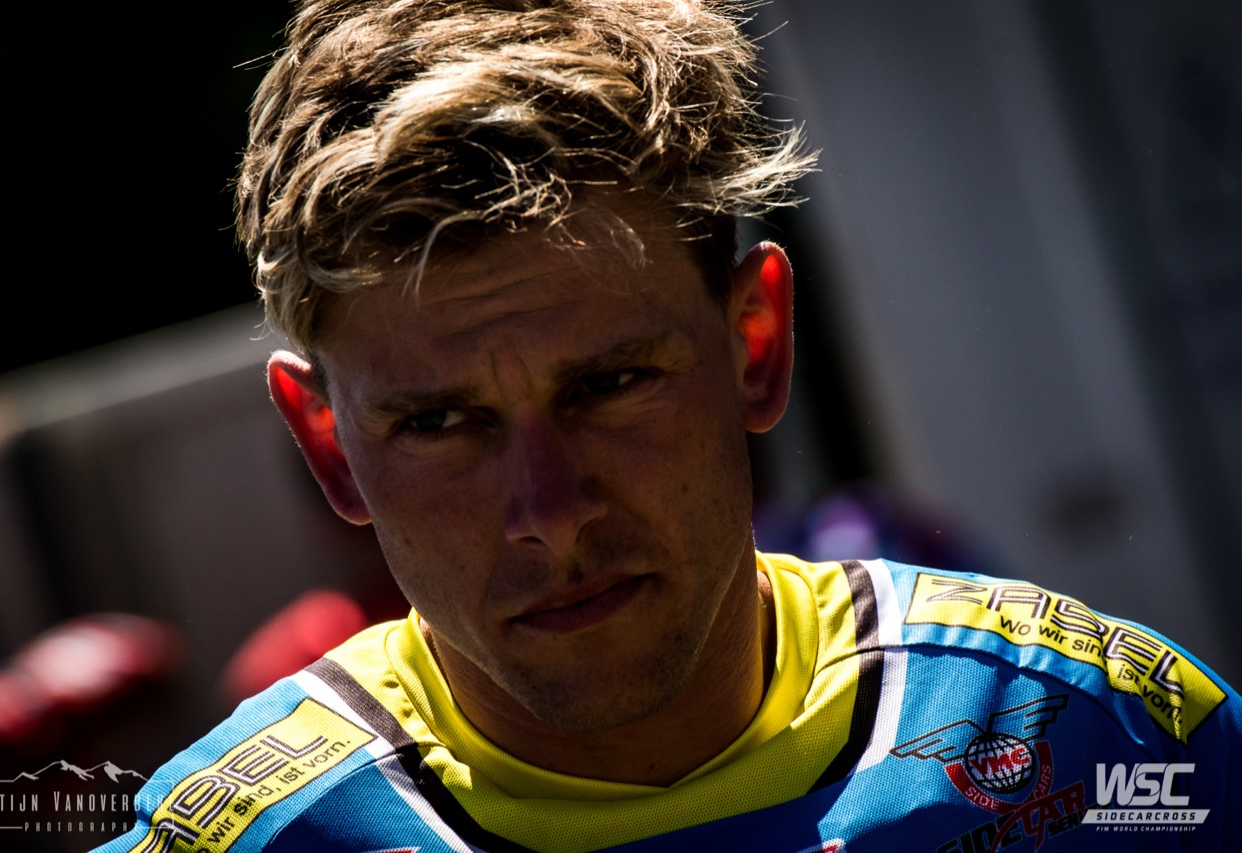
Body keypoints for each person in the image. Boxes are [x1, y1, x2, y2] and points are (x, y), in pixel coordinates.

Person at [99, 1, 1240, 850]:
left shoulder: (1109, 739)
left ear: (755, 344)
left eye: (608, 386)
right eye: (441, 422)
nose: (549, 512)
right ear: (327, 444)